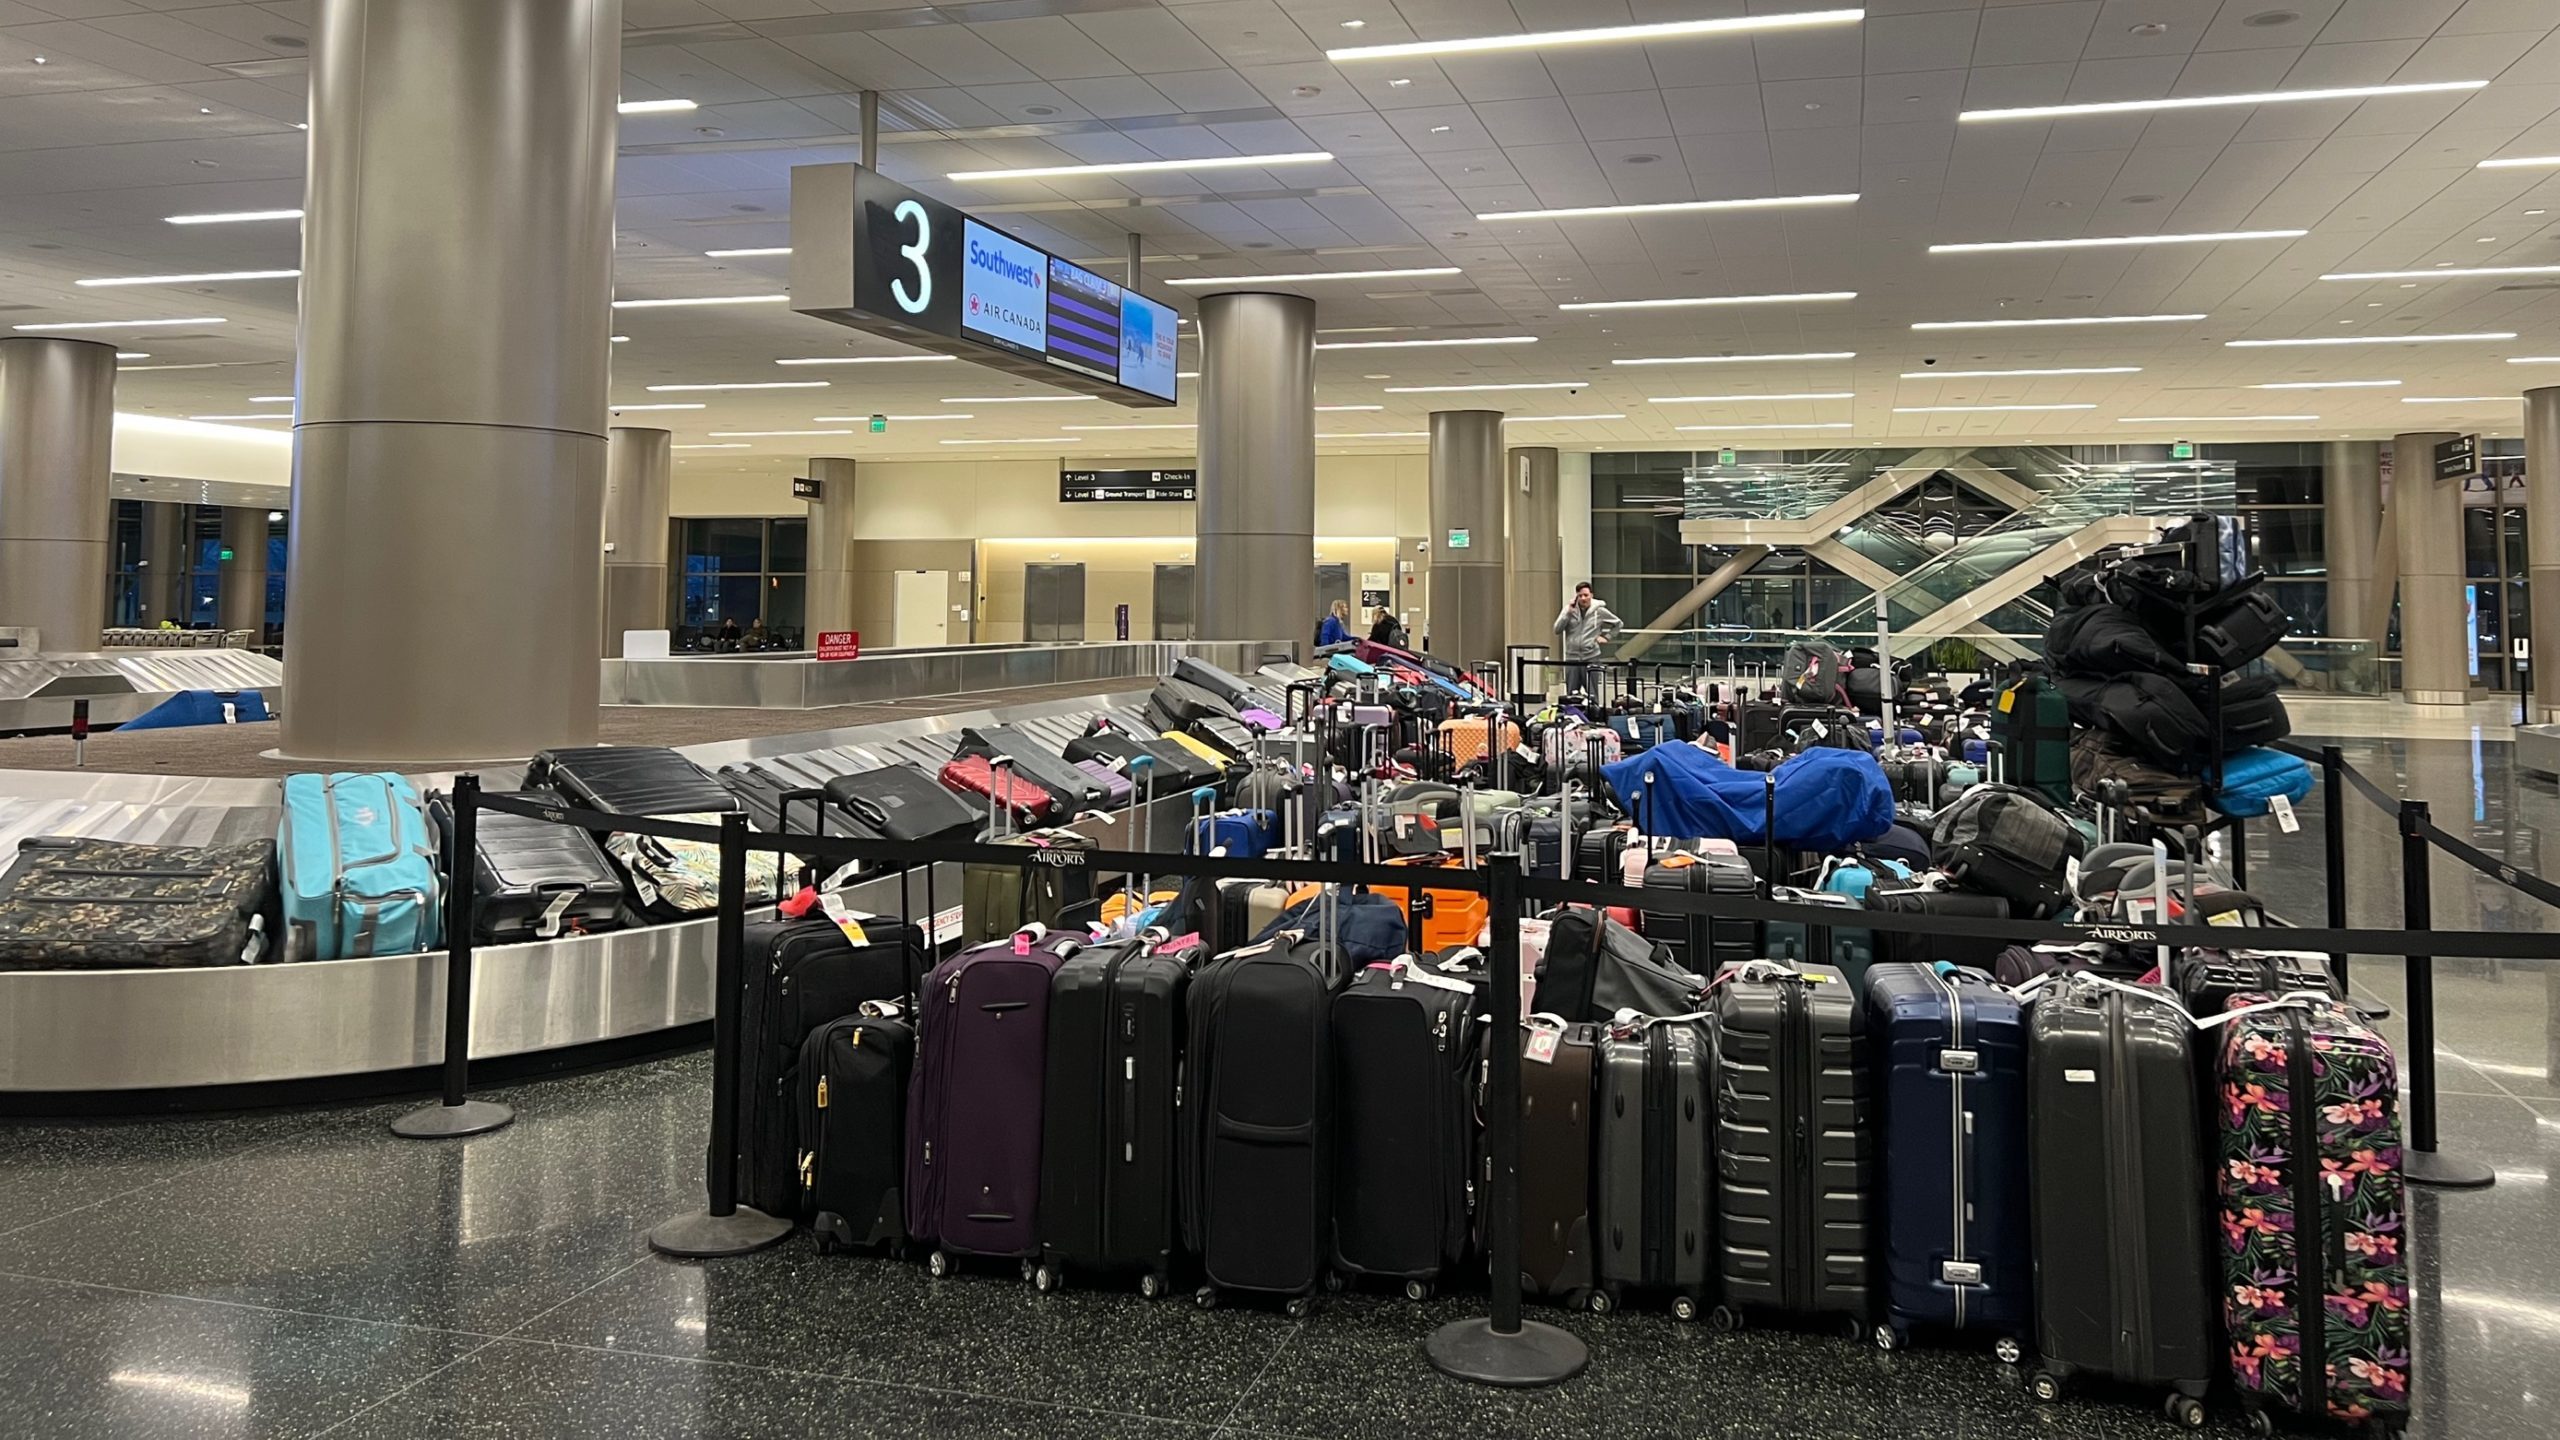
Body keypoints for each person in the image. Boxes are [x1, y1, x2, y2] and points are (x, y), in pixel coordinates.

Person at [1553, 582, 1622, 697]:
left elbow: (1618, 624)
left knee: (1592, 694)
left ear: (1591, 595)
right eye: (1580, 595)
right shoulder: (1569, 610)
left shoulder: (1599, 611)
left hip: (1591, 658)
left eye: (1586, 595)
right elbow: (1557, 629)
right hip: (1572, 658)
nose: (1583, 598)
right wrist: (1568, 614)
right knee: (1571, 695)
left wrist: (1607, 637)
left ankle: (1593, 709)